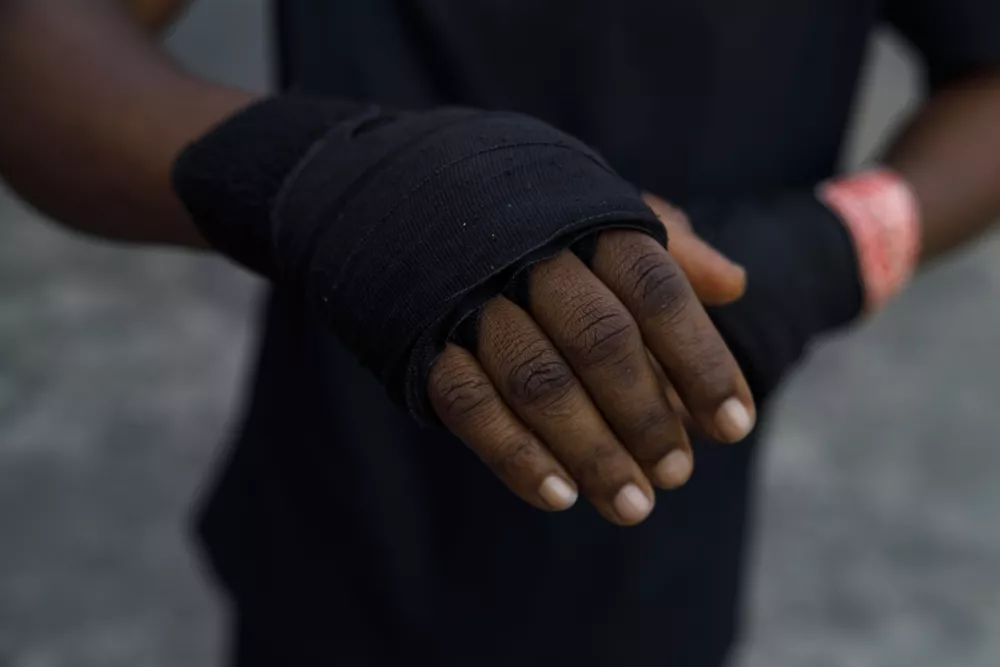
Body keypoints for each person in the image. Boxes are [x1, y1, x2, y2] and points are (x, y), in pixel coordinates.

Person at [2, 0, 999, 664]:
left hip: (658, 554)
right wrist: (326, 176)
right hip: (342, 512)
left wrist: (825, 250)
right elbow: (39, 35)